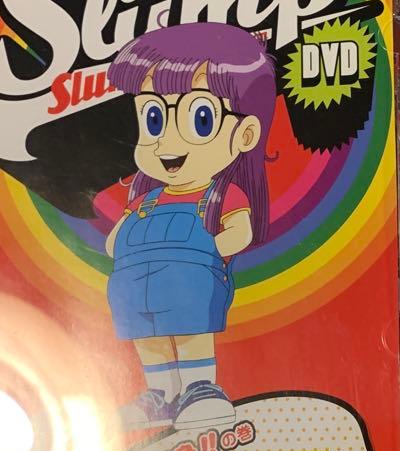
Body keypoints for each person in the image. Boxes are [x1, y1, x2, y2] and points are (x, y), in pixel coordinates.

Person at [105, 22, 276, 429]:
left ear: (245, 134)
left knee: (189, 333)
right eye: (154, 119)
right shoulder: (144, 200)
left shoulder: (220, 195)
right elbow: (115, 240)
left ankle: (200, 387)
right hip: (135, 286)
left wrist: (213, 250)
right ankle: (159, 394)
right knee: (148, 340)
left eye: (201, 119)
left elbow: (240, 230)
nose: (167, 144)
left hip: (190, 283)